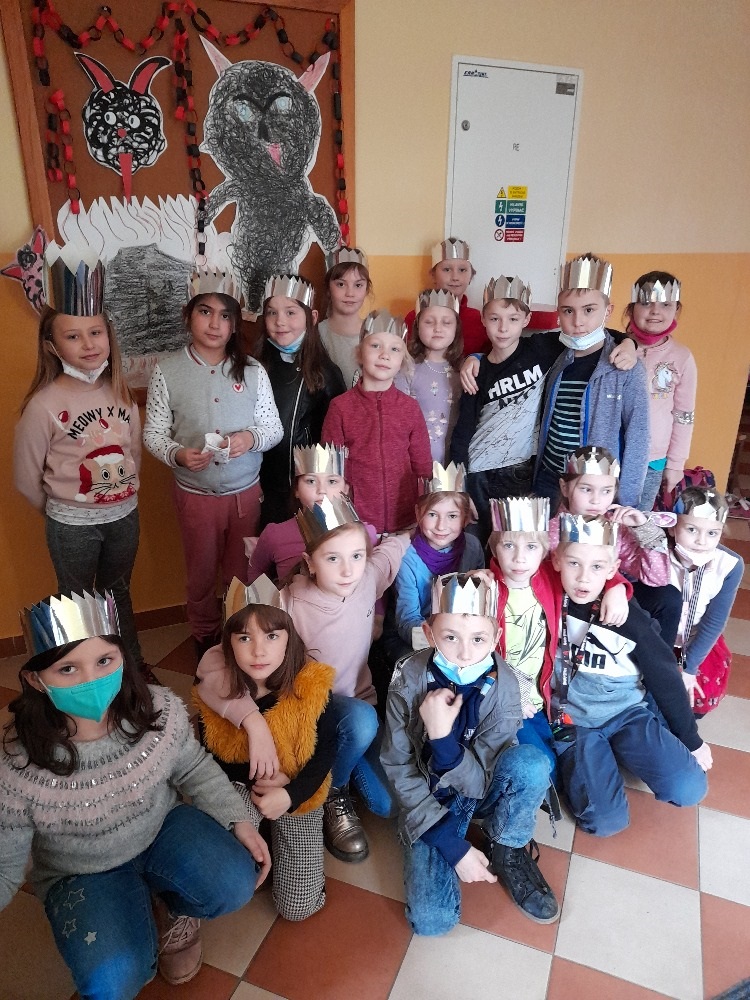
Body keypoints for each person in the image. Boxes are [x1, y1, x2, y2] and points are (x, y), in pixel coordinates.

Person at [0, 591, 270, 996]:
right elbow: (4, 864)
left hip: (162, 829)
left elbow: (193, 767)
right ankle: (136, 921)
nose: (91, 680)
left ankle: (169, 907)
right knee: (112, 983)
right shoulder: (18, 765)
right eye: (68, 669)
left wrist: (238, 820)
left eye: (104, 661)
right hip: (82, 871)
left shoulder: (158, 709)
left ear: (123, 658)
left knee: (233, 881)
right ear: (35, 680)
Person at [198, 495, 409, 863]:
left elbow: (393, 547)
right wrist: (253, 723)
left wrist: (419, 531)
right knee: (361, 720)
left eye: (357, 555)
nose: (348, 570)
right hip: (310, 714)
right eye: (333, 559)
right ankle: (332, 791)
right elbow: (216, 659)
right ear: (310, 563)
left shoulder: (368, 577)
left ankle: (336, 772)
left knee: (386, 803)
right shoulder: (288, 602)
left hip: (357, 711)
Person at [381, 571, 559, 934]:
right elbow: (399, 766)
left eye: (478, 639)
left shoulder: (505, 686)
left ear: (496, 636)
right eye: (450, 637)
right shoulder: (407, 680)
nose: (465, 653)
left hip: (479, 788)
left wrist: (442, 738)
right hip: (429, 799)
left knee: (532, 765)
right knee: (432, 922)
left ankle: (508, 846)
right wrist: (451, 845)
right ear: (429, 633)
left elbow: (479, 784)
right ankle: (437, 837)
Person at [14, 242, 149, 676]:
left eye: (96, 333)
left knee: (118, 592)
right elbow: (25, 478)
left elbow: (133, 454)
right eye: (73, 336)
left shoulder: (122, 394)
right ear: (52, 346)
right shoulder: (44, 405)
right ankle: (86, 674)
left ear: (109, 335)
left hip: (124, 517)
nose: (88, 345)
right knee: (77, 600)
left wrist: (120, 500)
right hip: (72, 525)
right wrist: (66, 511)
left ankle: (130, 668)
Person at [143, 267, 283, 657]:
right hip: (196, 497)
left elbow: (273, 428)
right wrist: (177, 454)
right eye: (205, 312)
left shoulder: (252, 371)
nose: (214, 323)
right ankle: (204, 636)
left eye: (225, 315)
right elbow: (153, 433)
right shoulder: (168, 371)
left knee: (241, 573)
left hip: (245, 496)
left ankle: (240, 637)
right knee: (201, 573)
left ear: (235, 324)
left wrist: (249, 439)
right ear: (189, 316)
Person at [549, 514, 711, 836]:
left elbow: (665, 676)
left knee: (690, 788)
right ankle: (583, 765)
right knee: (606, 822)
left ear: (612, 569)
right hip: (573, 721)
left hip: (626, 713)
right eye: (574, 564)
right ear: (556, 561)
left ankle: (617, 751)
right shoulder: (546, 598)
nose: (583, 578)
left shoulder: (627, 616)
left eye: (597, 567)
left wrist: (691, 739)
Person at [452, 275, 637, 546]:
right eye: (494, 319)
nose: (503, 328)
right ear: (483, 319)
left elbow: (595, 334)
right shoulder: (477, 370)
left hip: (520, 472)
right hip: (478, 470)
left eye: (513, 319)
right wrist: (459, 483)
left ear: (527, 319)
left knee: (515, 542)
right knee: (477, 541)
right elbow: (463, 429)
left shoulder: (543, 347)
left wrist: (630, 342)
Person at [194, 577, 335, 921]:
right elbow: (211, 757)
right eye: (245, 638)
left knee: (297, 908)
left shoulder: (311, 685)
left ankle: (293, 849)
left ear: (289, 638)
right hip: (243, 786)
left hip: (298, 790)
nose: (258, 651)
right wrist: (257, 780)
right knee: (222, 849)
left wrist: (290, 793)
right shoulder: (218, 690)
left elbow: (325, 755)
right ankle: (262, 839)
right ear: (228, 644)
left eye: (271, 636)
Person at [488, 496, 631, 780]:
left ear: (545, 551)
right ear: (494, 548)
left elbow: (589, 567)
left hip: (541, 701)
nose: (519, 558)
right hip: (502, 698)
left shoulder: (549, 577)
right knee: (542, 771)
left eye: (531, 547)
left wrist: (617, 586)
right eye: (508, 545)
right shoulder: (486, 589)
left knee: (555, 768)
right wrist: (505, 690)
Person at [533, 254, 650, 508]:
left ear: (608, 311)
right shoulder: (556, 355)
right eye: (568, 311)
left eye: (589, 310)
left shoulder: (626, 367)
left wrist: (626, 501)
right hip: (549, 478)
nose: (578, 322)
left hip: (594, 489)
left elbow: (638, 438)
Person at [550, 445, 682, 648]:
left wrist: (643, 528)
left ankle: (662, 662)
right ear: (565, 487)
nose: (596, 500)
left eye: (606, 491)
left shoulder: (616, 527)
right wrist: (615, 584)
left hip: (613, 603)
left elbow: (658, 578)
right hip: (569, 600)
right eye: (586, 489)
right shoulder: (551, 530)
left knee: (668, 597)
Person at [322, 310, 433, 534]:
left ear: (402, 360)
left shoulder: (410, 408)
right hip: (355, 522)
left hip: (405, 522)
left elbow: (423, 466)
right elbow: (330, 469)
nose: (384, 355)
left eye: (394, 349)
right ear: (359, 353)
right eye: (375, 346)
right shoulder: (340, 407)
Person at [254, 273, 347, 525]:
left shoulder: (325, 373)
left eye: (290, 312)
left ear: (312, 317)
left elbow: (335, 440)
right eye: (272, 313)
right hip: (260, 485)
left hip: (306, 490)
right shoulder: (255, 367)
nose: (280, 321)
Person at [390, 461, 483, 659]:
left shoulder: (472, 547)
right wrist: (442, 641)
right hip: (423, 634)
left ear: (465, 518)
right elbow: (407, 619)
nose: (441, 526)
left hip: (463, 634)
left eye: (452, 516)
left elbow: (479, 603)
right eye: (432, 514)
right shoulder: (407, 558)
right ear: (418, 514)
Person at [247, 443, 376, 583]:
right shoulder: (274, 534)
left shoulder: (366, 533)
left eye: (332, 481)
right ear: (296, 489)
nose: (322, 490)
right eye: (311, 481)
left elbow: (373, 577)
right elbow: (256, 569)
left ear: (345, 489)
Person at [623, 272, 697, 511]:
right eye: (646, 303)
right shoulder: (616, 347)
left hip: (652, 460)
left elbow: (684, 414)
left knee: (637, 519)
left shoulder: (682, 357)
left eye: (666, 304)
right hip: (613, 453)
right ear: (631, 308)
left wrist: (675, 464)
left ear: (676, 309)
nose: (655, 311)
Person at [667, 488, 743, 713]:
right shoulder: (657, 553)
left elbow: (714, 622)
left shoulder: (729, 565)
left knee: (697, 697)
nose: (701, 541)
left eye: (712, 533)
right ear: (672, 527)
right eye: (691, 529)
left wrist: (689, 669)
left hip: (695, 639)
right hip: (658, 639)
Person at [395, 289, 463, 465]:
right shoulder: (406, 370)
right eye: (429, 322)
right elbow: (397, 421)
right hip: (414, 461)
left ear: (456, 328)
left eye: (446, 322)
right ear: (417, 326)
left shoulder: (463, 371)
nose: (438, 328)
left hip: (452, 462)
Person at [404, 238, 489, 355]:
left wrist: (476, 357)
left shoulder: (479, 319)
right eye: (447, 269)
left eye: (462, 270)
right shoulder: (415, 317)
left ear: (471, 276)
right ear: (433, 275)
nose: (455, 277)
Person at [318, 247, 372, 388]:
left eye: (358, 285)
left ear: (366, 289)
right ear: (328, 288)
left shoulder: (375, 333)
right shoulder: (317, 334)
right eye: (341, 284)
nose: (350, 293)